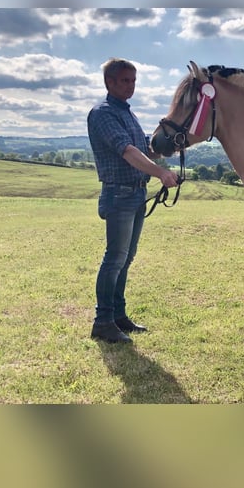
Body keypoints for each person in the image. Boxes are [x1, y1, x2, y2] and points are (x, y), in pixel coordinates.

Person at [87, 57, 180, 343]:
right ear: (109, 82)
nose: (131, 86)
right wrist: (160, 172)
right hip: (119, 194)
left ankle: (117, 316)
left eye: (133, 81)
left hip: (136, 193)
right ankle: (102, 322)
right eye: (125, 80)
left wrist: (168, 148)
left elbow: (144, 150)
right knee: (114, 259)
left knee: (125, 259)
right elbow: (127, 151)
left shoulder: (127, 113)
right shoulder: (102, 113)